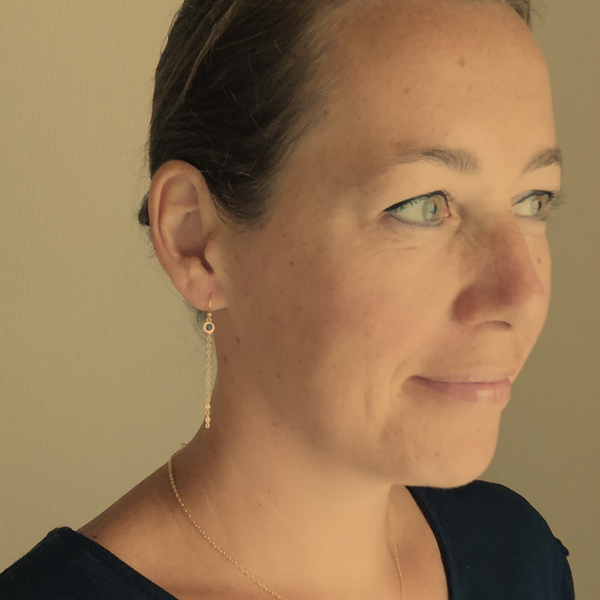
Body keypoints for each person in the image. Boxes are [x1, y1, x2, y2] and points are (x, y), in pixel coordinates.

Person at [0, 0, 575, 598]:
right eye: (423, 205)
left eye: (534, 200)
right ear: (196, 241)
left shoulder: (517, 558)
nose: (522, 294)